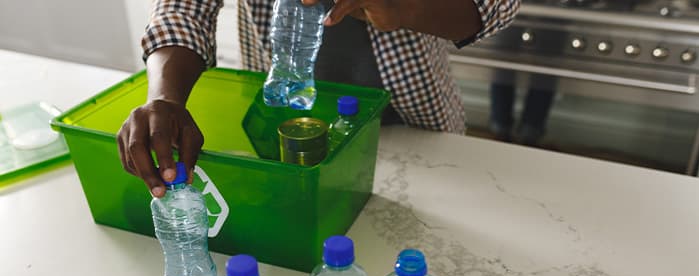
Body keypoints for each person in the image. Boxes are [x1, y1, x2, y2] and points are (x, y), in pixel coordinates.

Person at [117, 0, 520, 198]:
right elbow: (185, 7)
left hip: (412, 128)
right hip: (283, 128)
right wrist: (165, 98)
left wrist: (401, 5)